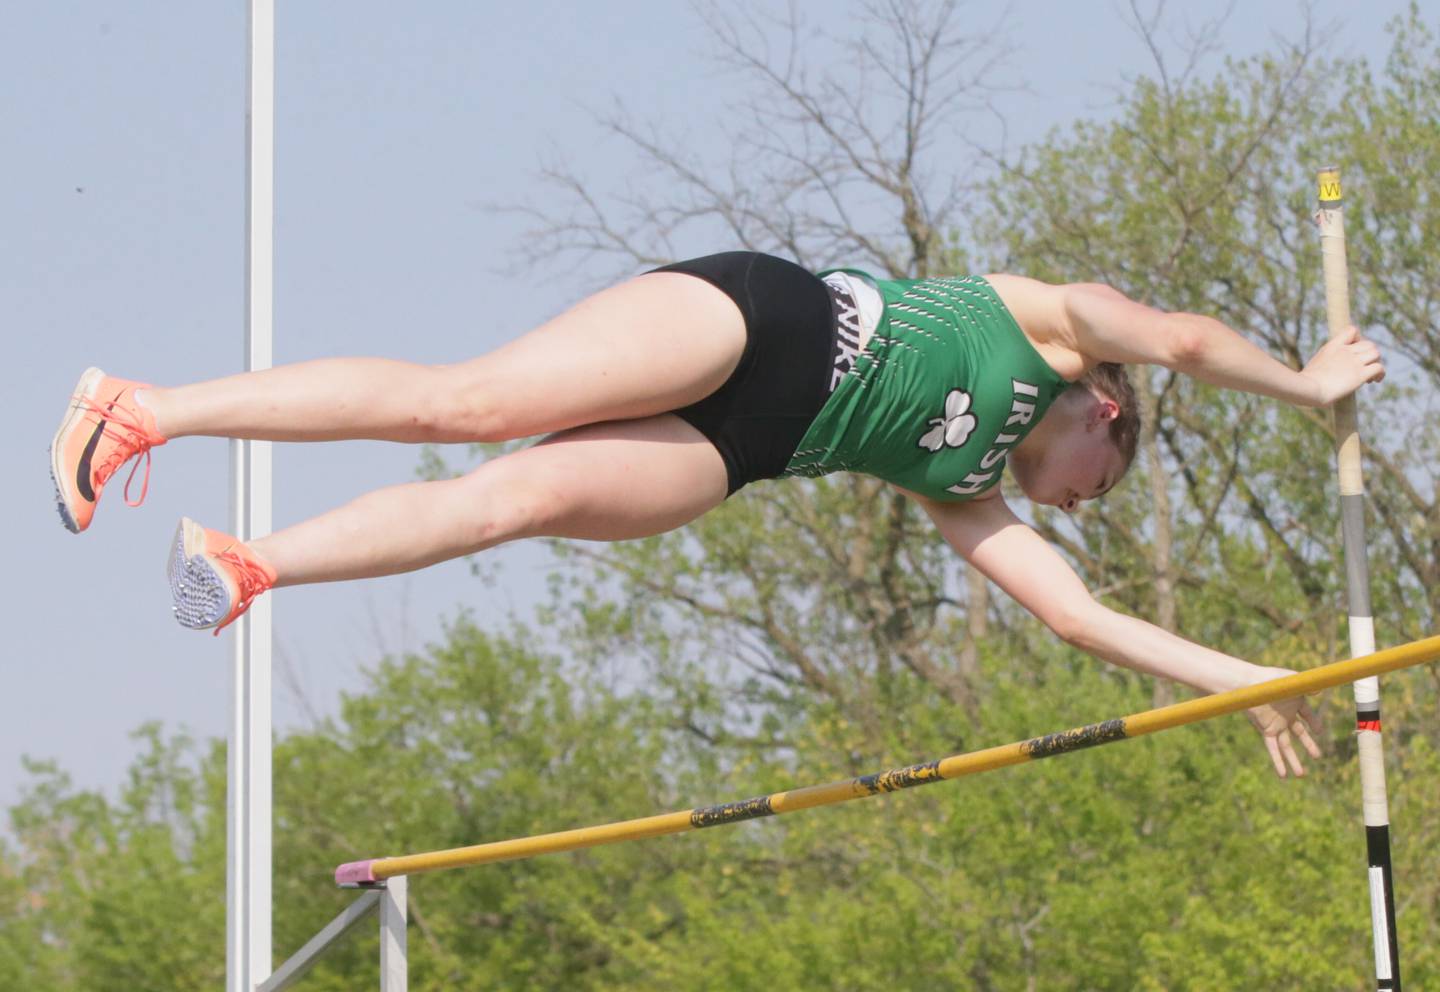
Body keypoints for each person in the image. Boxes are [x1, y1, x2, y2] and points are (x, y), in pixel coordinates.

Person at [49, 251, 1384, 777]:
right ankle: (149, 409)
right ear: (1105, 413)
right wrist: (1307, 384)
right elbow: (1190, 336)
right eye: (1107, 487)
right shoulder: (1049, 327)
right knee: (467, 406)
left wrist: (1255, 681)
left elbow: (1079, 617)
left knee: (511, 502)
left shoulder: (961, 489)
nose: (1085, 508)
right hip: (767, 323)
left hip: (748, 447)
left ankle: (253, 563)